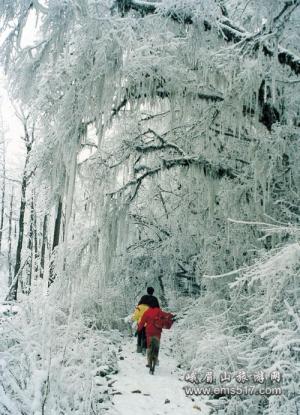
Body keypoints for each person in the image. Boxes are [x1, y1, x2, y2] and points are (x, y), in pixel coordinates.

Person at [137, 296, 166, 374]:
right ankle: (155, 360)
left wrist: (139, 329)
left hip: (149, 332)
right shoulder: (160, 311)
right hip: (157, 332)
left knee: (149, 347)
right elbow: (165, 319)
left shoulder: (147, 312)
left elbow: (142, 322)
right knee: (156, 347)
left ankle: (149, 363)